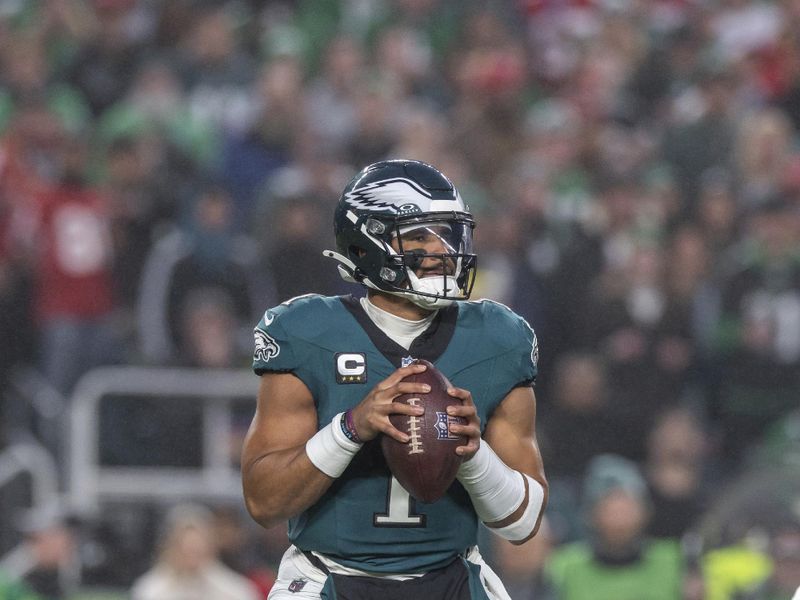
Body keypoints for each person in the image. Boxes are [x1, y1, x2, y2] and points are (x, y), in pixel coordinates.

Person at [241, 159, 548, 599]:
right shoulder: (308, 332)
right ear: (368, 242)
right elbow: (264, 503)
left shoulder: (496, 338)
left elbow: (522, 524)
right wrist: (350, 429)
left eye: (447, 233)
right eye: (421, 235)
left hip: (453, 576)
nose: (443, 250)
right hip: (329, 576)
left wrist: (471, 452)